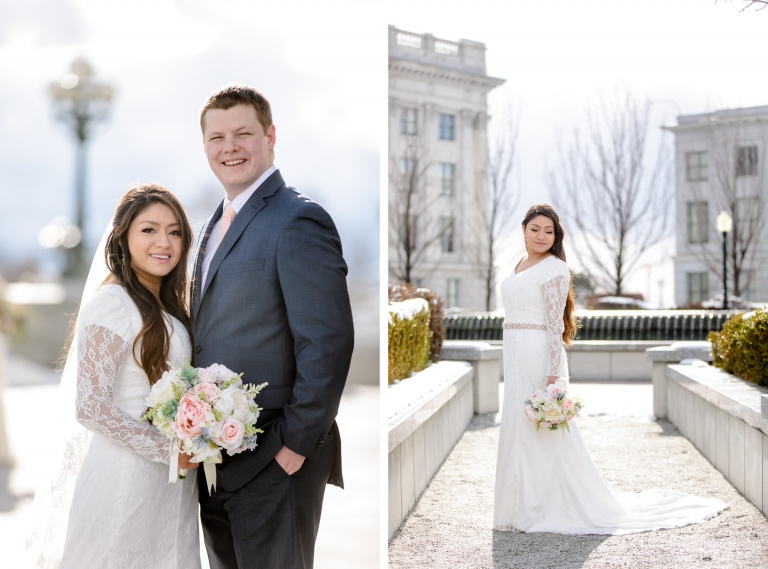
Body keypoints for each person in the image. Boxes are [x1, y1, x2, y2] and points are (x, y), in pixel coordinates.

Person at [191, 84, 354, 569]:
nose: (229, 147)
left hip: (274, 461)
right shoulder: (211, 224)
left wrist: (293, 448)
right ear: (205, 146)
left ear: (270, 136)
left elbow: (327, 343)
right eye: (217, 137)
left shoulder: (299, 219)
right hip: (216, 463)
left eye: (243, 133)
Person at [493, 203, 727, 534]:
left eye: (549, 231)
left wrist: (552, 379)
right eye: (535, 229)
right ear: (523, 230)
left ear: (557, 235)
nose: (542, 236)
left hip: (538, 355)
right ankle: (517, 505)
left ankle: (541, 506)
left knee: (541, 429)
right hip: (514, 355)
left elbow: (554, 326)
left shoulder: (555, 268)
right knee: (518, 426)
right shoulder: (518, 264)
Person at [27, 184, 202, 568]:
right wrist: (169, 450)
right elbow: (90, 406)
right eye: (149, 229)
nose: (164, 241)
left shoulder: (172, 308)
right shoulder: (113, 303)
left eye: (174, 231)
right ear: (123, 237)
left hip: (172, 487)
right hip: (124, 479)